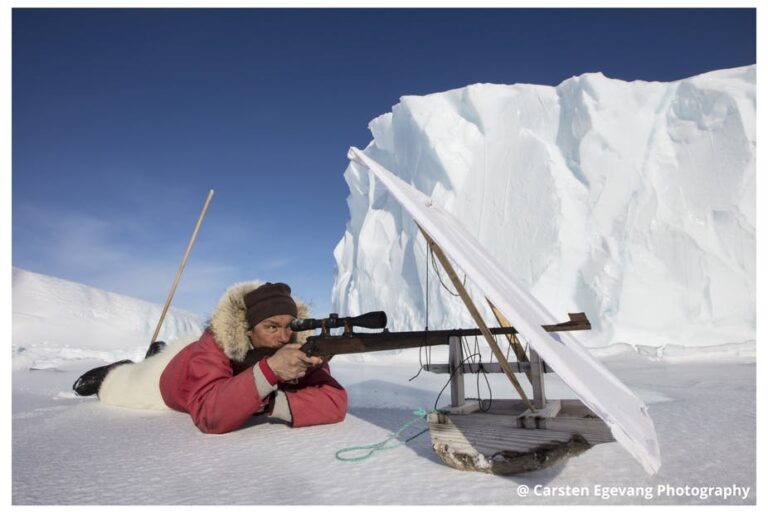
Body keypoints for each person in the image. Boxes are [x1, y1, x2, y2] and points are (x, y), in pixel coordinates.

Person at [73, 281, 348, 434]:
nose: (284, 337)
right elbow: (209, 415)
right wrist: (270, 370)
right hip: (167, 376)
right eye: (272, 327)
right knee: (118, 388)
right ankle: (117, 369)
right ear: (247, 330)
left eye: (291, 326)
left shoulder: (295, 347)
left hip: (193, 355)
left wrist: (270, 403)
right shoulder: (216, 343)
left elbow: (335, 402)